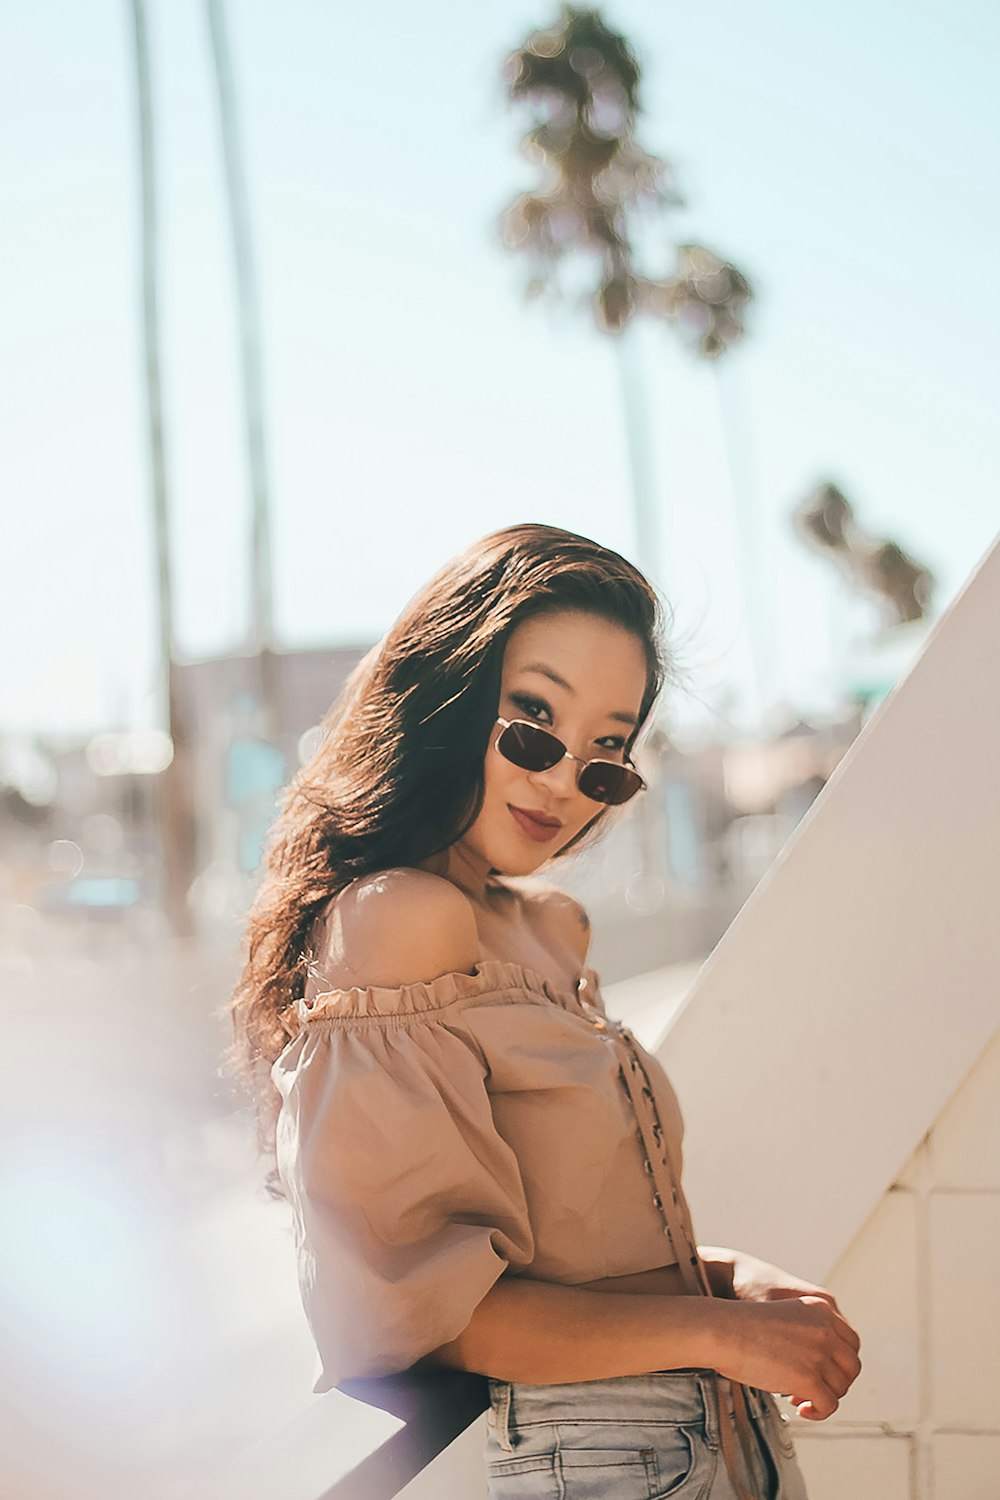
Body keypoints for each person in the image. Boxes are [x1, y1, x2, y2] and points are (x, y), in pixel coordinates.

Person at [227, 523, 862, 1499]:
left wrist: (728, 1280)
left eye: (605, 754)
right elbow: (422, 1316)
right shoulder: (402, 922)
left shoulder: (545, 929)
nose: (565, 781)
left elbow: (572, 1250)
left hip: (715, 1448)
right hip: (600, 1466)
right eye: (531, 724)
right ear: (444, 699)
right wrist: (723, 1330)